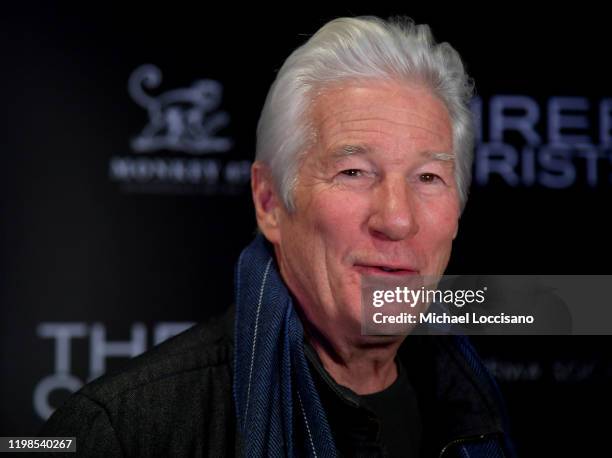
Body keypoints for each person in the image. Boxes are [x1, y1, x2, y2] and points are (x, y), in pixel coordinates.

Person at [41, 16, 515, 457]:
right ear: (269, 202)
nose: (396, 219)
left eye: (428, 177)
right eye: (354, 171)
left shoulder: (490, 411)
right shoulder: (121, 431)